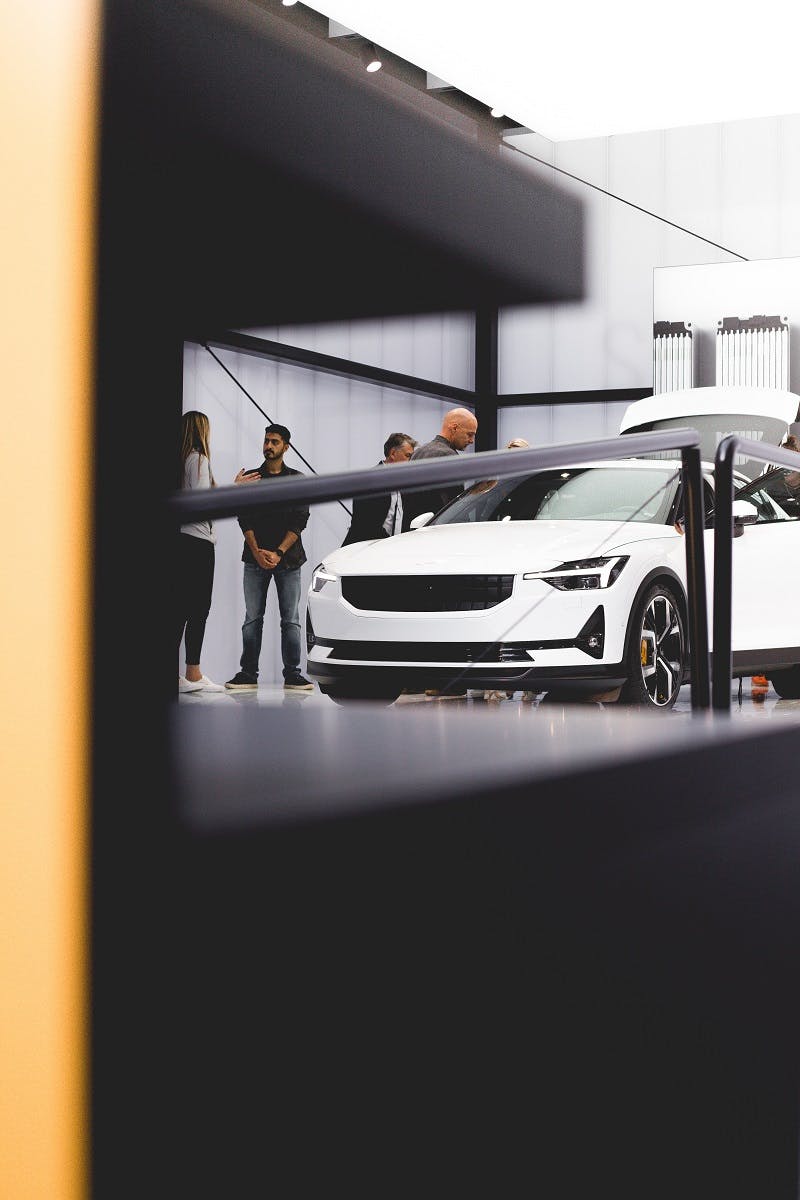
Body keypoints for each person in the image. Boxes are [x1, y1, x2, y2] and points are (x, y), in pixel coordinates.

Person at [225, 423, 314, 692]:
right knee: (253, 617)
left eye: (274, 442)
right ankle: (248, 674)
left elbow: (300, 520)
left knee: (291, 620)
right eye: (266, 441)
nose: (268, 446)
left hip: (288, 560)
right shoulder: (251, 478)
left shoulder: (297, 480)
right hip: (255, 560)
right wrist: (257, 552)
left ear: (285, 447)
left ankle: (293, 675)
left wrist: (277, 553)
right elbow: (244, 518)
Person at [177, 411, 224, 694]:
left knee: (180, 609)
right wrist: (235, 492)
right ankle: (192, 673)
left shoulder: (182, 461)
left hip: (182, 542)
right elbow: (205, 504)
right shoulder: (199, 459)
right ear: (201, 430)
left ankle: (190, 674)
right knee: (197, 609)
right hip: (198, 543)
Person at [401, 406, 478, 531]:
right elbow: (454, 508)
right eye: (469, 434)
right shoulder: (449, 456)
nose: (471, 441)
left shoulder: (418, 452)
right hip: (438, 533)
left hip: (414, 531)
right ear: (454, 428)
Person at [342, 432, 417, 545]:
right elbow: (367, 525)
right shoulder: (369, 481)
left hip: (390, 548)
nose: (411, 461)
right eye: (407, 456)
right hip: (365, 550)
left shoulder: (404, 482)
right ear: (392, 453)